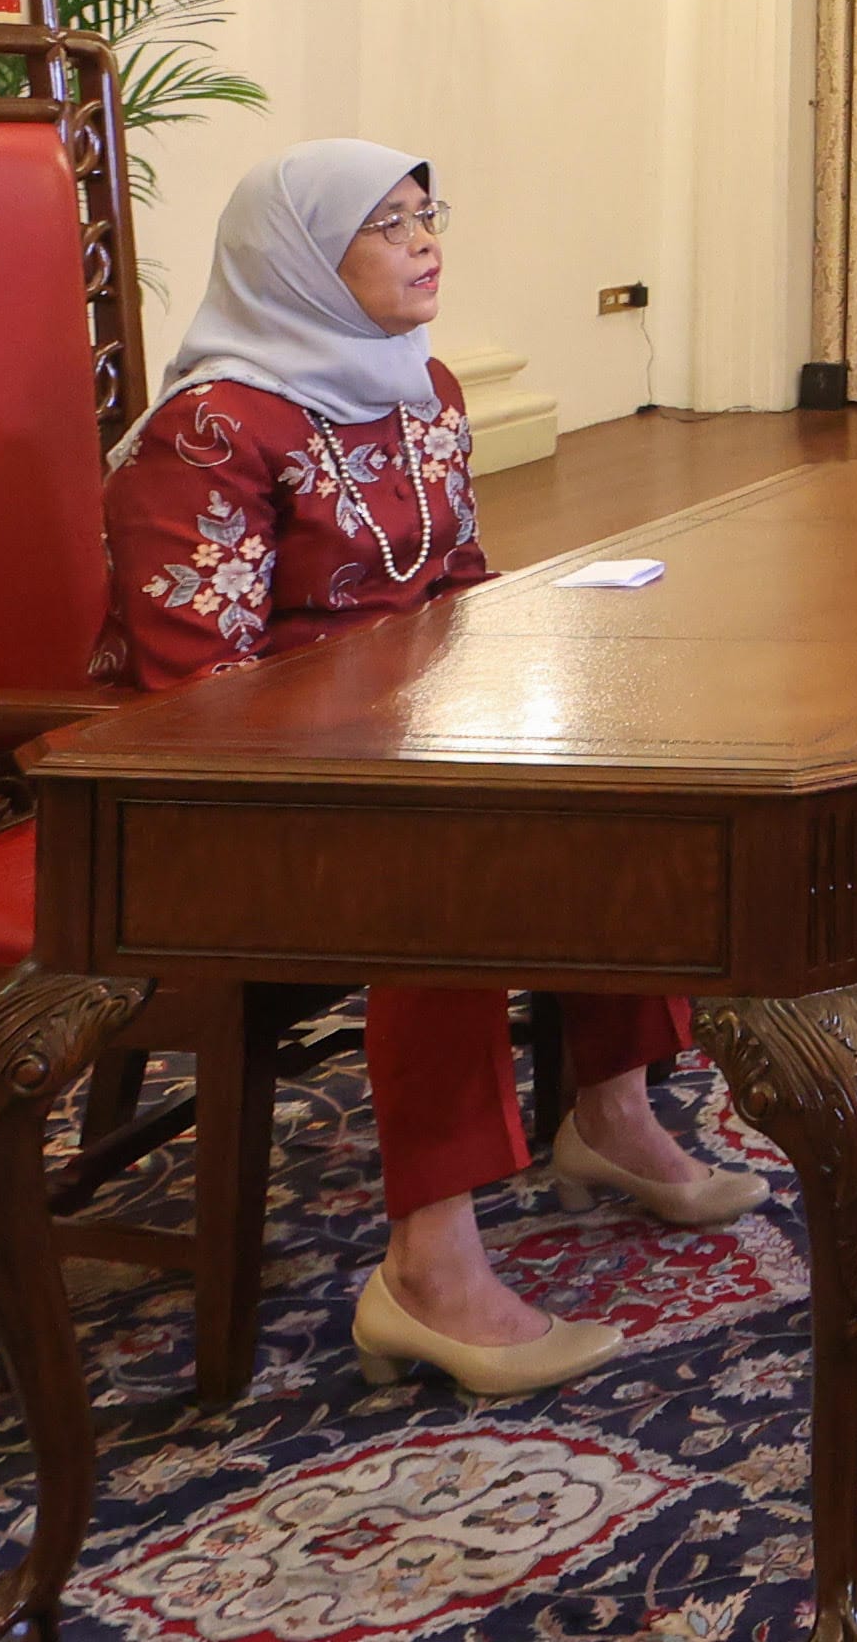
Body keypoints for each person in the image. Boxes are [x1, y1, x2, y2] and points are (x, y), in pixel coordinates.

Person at [93, 139, 763, 1397]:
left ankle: (609, 1113)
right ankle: (428, 1266)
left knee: (616, 787)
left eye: (425, 215)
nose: (422, 242)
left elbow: (458, 585)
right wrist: (398, 726)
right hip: (236, 793)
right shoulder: (213, 431)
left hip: (402, 749)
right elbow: (196, 692)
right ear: (297, 259)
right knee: (451, 866)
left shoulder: (426, 389)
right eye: (385, 225)